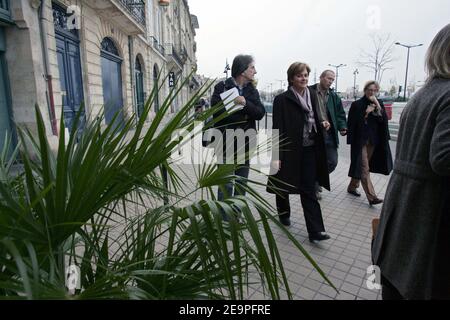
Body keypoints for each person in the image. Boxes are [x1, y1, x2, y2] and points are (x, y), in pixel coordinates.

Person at [372, 23, 450, 300]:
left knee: (394, 285)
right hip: (428, 221)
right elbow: (442, 159)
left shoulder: (425, 93)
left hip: (403, 213)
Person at [267, 62, 330, 243]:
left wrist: (323, 124)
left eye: (305, 75)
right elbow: (276, 129)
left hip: (309, 149)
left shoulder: (311, 95)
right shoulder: (282, 100)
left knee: (308, 189)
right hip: (289, 150)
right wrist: (276, 156)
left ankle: (316, 231)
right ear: (291, 78)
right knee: (283, 183)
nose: (304, 78)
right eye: (299, 75)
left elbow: (316, 117)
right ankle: (284, 213)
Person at [210, 55, 265, 212]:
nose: (255, 71)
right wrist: (237, 108)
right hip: (225, 142)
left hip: (245, 143)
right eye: (252, 67)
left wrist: (245, 103)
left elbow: (260, 113)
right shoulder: (222, 87)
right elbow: (215, 112)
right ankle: (224, 221)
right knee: (226, 184)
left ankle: (237, 216)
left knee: (241, 183)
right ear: (242, 70)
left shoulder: (252, 90)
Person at [346, 80, 393, 205]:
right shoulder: (357, 104)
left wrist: (377, 105)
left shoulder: (379, 103)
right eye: (369, 90)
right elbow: (352, 123)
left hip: (373, 140)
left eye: (374, 90)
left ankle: (352, 186)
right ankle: (372, 197)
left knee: (361, 167)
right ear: (365, 90)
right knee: (364, 168)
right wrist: (366, 113)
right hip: (360, 140)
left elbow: (383, 120)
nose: (371, 92)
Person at [309, 70, 348, 198]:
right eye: (328, 78)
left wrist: (342, 127)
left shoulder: (334, 96)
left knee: (332, 161)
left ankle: (317, 180)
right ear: (321, 77)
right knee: (314, 161)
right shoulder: (309, 91)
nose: (330, 81)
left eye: (332, 79)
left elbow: (340, 114)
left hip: (329, 134)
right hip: (314, 133)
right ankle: (314, 187)